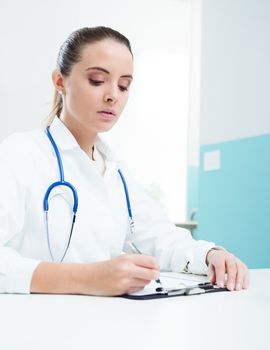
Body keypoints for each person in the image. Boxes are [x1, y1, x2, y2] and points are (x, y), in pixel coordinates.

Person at [0, 26, 249, 296]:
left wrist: (209, 254)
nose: (113, 95)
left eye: (124, 85)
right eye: (97, 80)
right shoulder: (21, 153)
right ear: (60, 81)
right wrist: (89, 278)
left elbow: (160, 237)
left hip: (105, 326)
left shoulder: (115, 171)